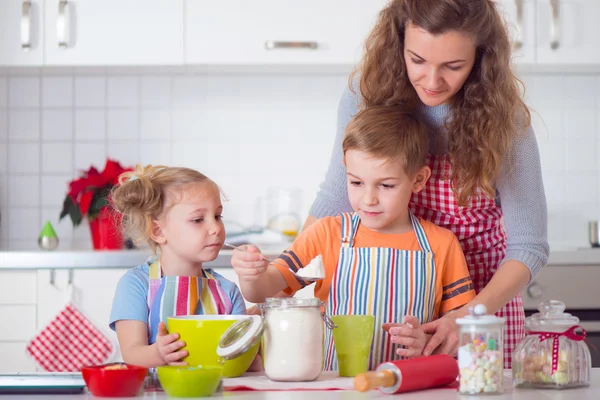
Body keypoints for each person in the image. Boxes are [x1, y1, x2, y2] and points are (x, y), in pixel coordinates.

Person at [305, 0, 549, 368]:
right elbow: (335, 199)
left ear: (481, 58)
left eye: (453, 66)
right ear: (398, 42)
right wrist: (276, 290)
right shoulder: (365, 94)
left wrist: (466, 317)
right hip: (395, 305)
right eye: (417, 60)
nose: (432, 82)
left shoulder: (504, 119)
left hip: (480, 305)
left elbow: (529, 245)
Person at [231, 106, 476, 370]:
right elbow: (260, 292)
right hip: (334, 387)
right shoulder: (326, 234)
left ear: (418, 179)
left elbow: (462, 332)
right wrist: (250, 274)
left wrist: (426, 342)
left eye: (386, 185)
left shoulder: (441, 244)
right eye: (356, 183)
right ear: (345, 170)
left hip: (409, 388)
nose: (368, 199)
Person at [109, 165, 247, 368]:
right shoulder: (136, 284)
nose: (216, 228)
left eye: (218, 216)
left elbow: (243, 360)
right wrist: (158, 353)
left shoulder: (228, 292)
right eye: (198, 219)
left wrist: (256, 337)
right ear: (158, 231)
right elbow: (132, 353)